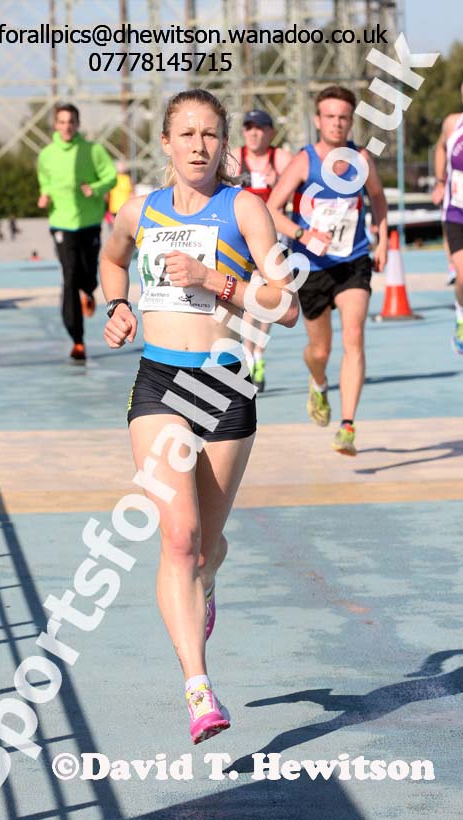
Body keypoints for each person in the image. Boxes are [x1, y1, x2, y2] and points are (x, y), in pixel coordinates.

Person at [100, 89, 298, 743]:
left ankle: (209, 578)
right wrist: (117, 306)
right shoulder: (140, 209)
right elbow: (110, 259)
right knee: (177, 538)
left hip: (224, 385)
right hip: (158, 383)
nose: (198, 146)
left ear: (224, 145)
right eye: (185, 134)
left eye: (210, 135)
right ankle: (198, 687)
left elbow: (285, 304)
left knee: (206, 547)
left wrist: (217, 281)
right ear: (164, 142)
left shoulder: (244, 209)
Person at [268, 85, 388, 456]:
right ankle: (318, 383)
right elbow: (272, 208)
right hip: (312, 266)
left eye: (344, 118)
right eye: (330, 117)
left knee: (354, 333)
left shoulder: (361, 158)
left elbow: (378, 200)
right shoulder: (304, 161)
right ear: (318, 120)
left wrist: (381, 238)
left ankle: (348, 426)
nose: (337, 123)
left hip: (353, 260)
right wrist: (303, 232)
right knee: (320, 351)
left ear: (351, 122)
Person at [37, 102, 117, 361]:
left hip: (90, 220)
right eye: (61, 122)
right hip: (61, 222)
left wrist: (94, 189)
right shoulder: (47, 154)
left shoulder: (93, 151)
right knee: (69, 274)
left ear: (77, 124)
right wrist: (44, 195)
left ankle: (89, 290)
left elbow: (111, 177)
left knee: (88, 274)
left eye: (71, 121)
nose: (66, 126)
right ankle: (77, 340)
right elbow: (45, 180)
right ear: (55, 125)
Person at [233, 110, 292, 391]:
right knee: (248, 295)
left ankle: (258, 353)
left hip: (274, 239)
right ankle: (247, 352)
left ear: (270, 132)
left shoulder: (280, 159)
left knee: (270, 297)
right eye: (249, 128)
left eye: (260, 128)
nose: (254, 133)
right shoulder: (234, 158)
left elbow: (298, 190)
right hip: (243, 238)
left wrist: (276, 184)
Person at [432, 81, 463, 354]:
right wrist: (440, 181)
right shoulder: (453, 124)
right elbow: (440, 148)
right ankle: (461, 318)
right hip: (457, 211)